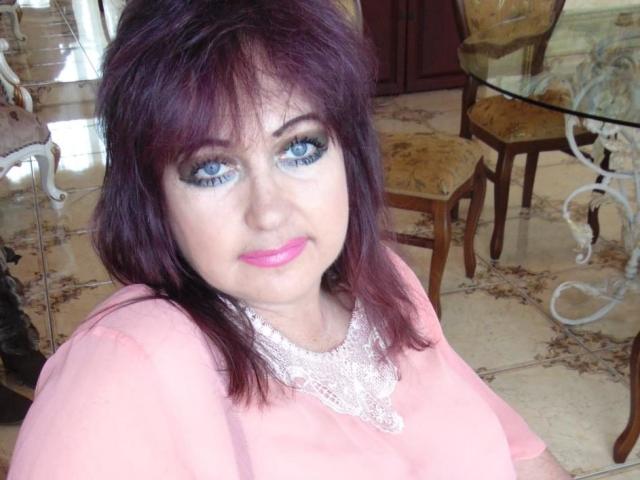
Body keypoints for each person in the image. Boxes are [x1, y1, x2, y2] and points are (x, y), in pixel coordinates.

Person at [9, 1, 571, 478]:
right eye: (211, 168)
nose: (269, 212)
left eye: (299, 148)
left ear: (348, 152)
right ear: (154, 195)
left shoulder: (384, 280)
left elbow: (516, 446)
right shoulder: (127, 365)